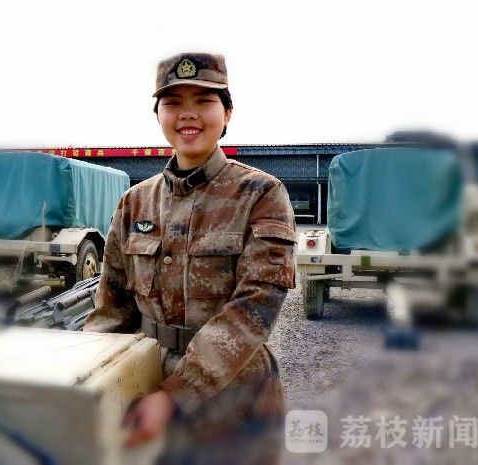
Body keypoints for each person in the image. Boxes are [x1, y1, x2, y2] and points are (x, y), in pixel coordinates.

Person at [84, 52, 296, 464]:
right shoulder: (134, 202)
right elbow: (111, 308)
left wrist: (175, 394)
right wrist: (90, 380)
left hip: (236, 400)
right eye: (173, 102)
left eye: (203, 100)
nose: (188, 114)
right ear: (158, 115)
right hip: (145, 385)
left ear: (227, 112)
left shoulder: (260, 194)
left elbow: (255, 307)